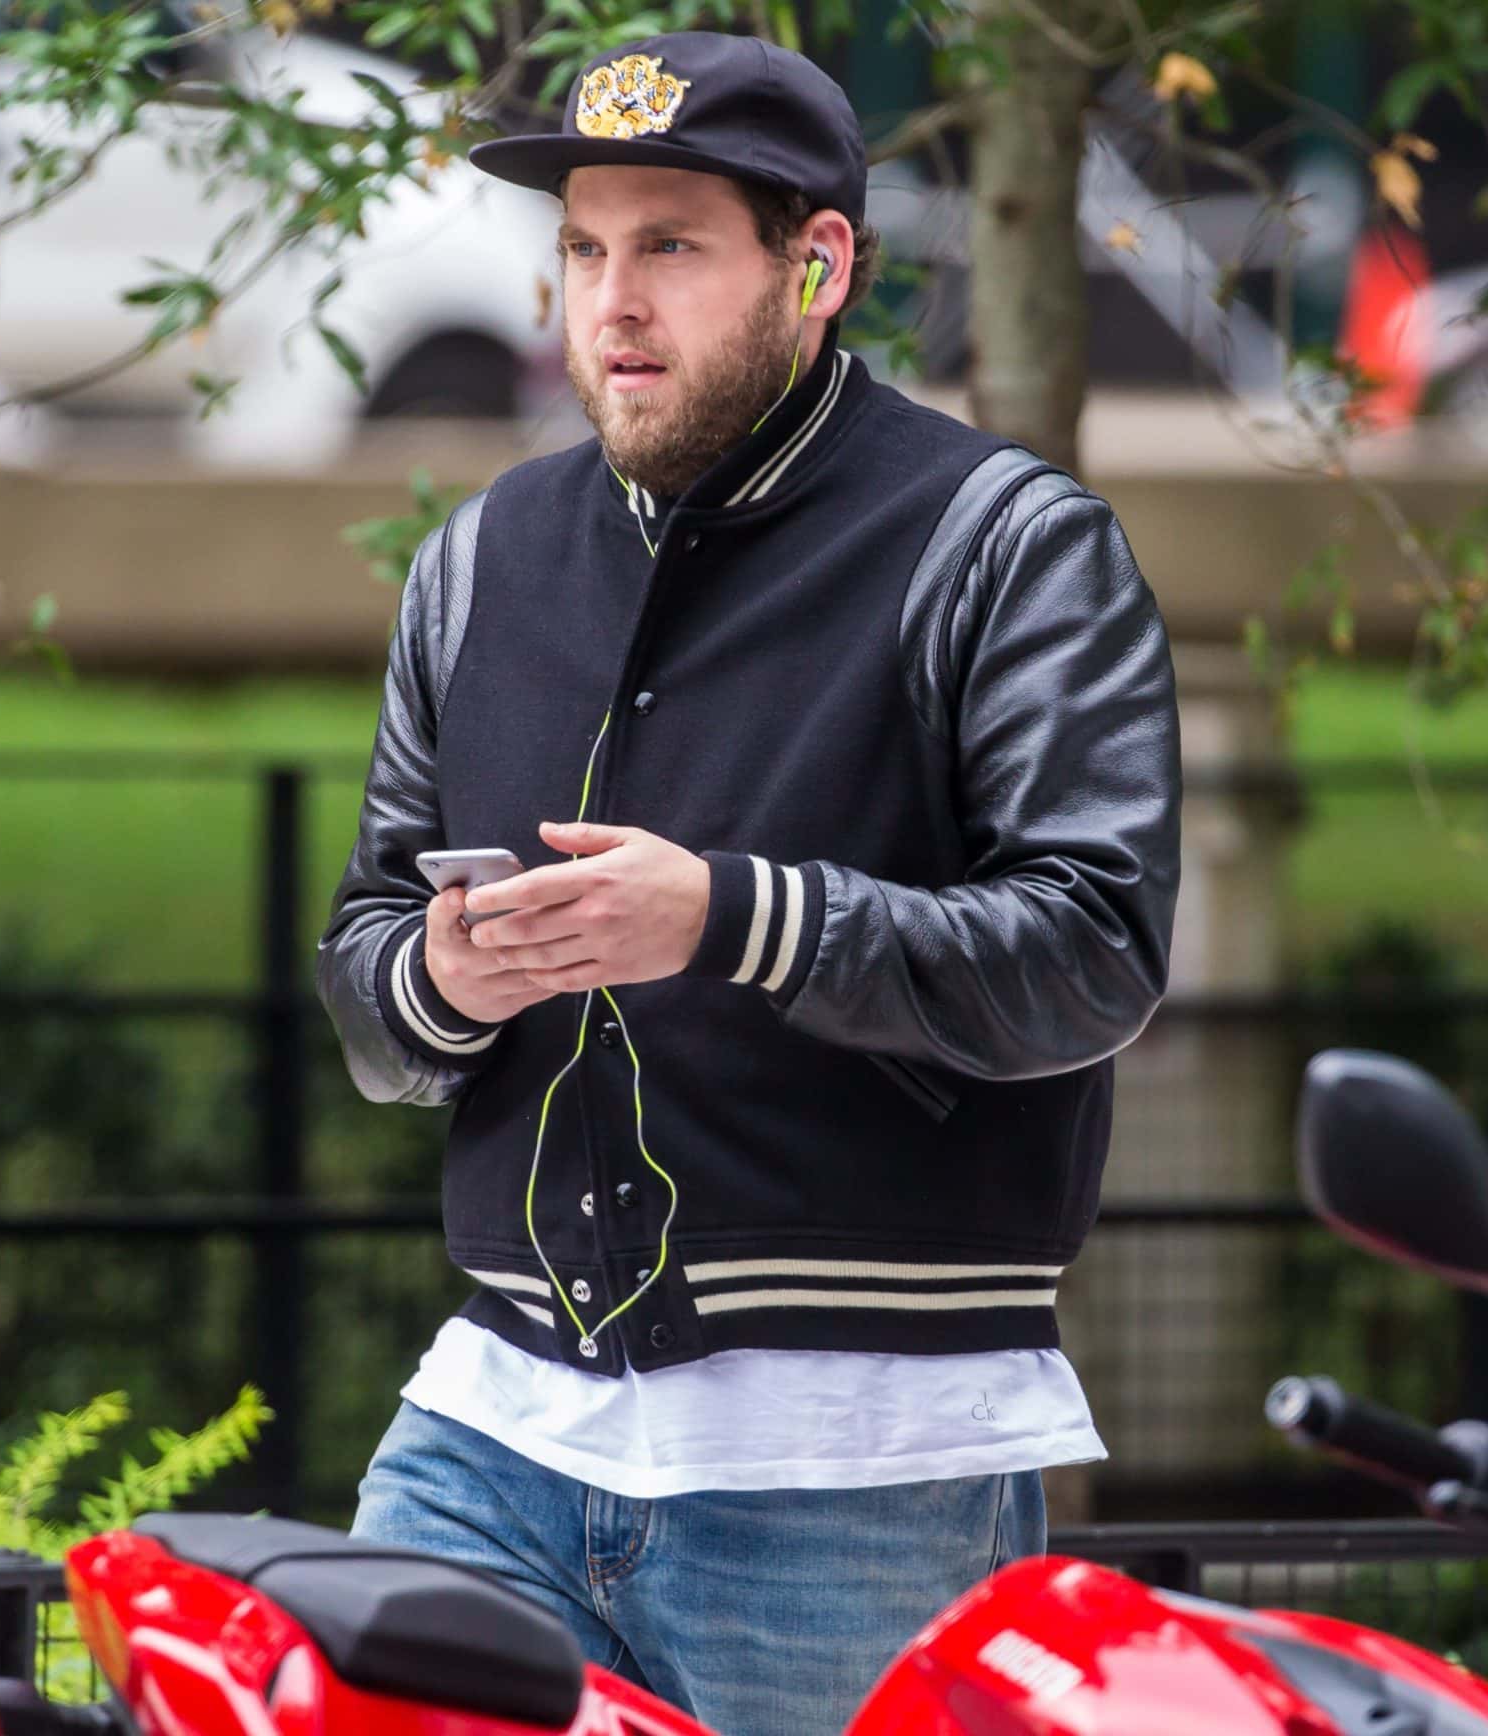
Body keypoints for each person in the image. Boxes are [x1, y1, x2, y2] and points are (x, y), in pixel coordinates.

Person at [312, 29, 1181, 1734]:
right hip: (490, 1429)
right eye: (582, 249)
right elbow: (363, 970)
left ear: (821, 265)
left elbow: (1094, 953)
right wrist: (448, 982)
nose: (610, 302)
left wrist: (727, 918)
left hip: (863, 1467)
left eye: (672, 248)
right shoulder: (476, 561)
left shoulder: (1009, 546)